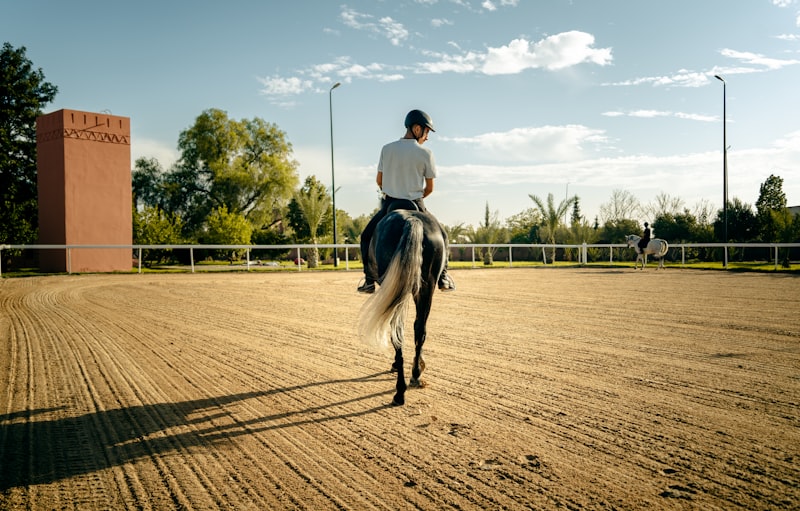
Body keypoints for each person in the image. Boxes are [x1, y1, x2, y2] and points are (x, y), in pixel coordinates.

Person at [357, 109, 455, 294]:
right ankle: (443, 276)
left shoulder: (387, 149)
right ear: (417, 129)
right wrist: (414, 196)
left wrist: (393, 190)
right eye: (426, 131)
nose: (427, 137)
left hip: (390, 204)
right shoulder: (426, 153)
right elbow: (429, 188)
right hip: (416, 203)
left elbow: (379, 181)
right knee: (442, 235)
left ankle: (369, 281)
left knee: (366, 236)